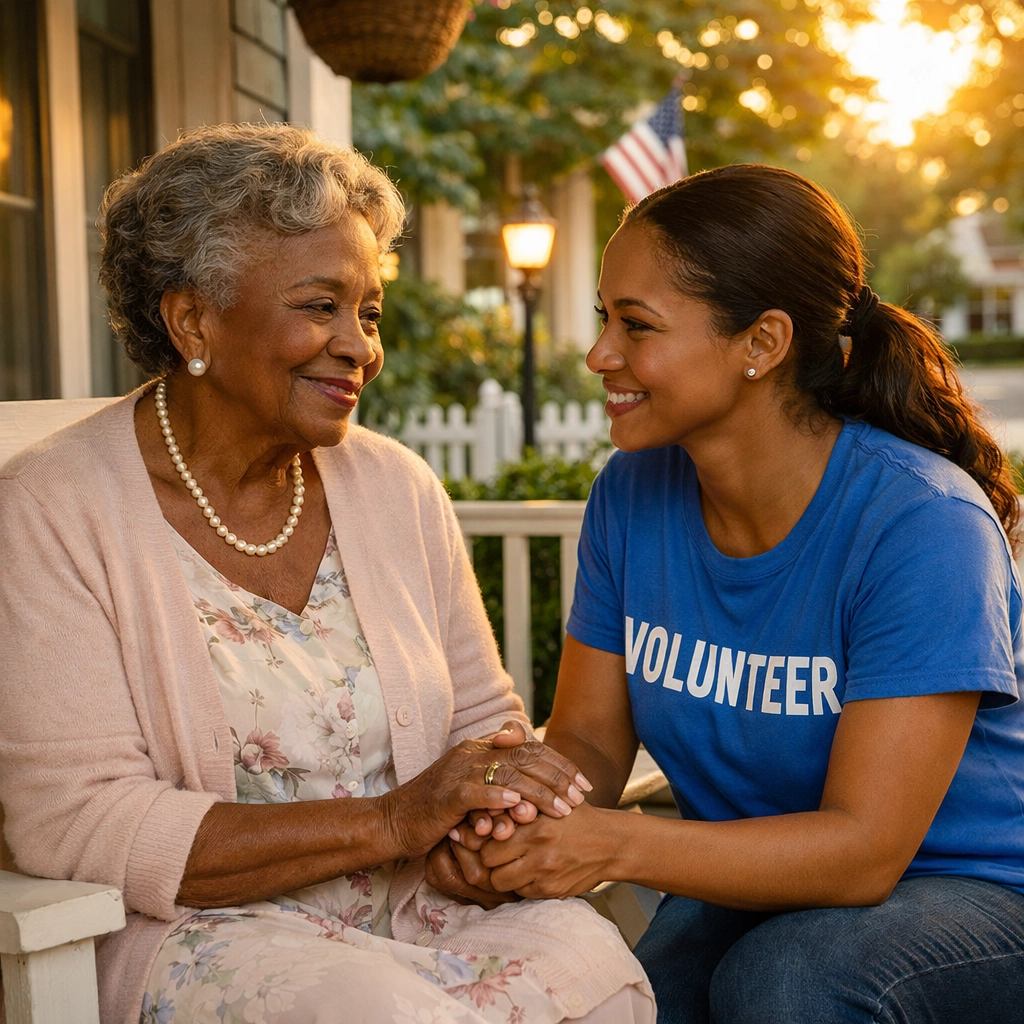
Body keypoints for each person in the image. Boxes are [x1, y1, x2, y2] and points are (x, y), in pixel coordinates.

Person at [0, 123, 654, 1024]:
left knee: (593, 965)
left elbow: (479, 723)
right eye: (319, 306)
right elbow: (75, 819)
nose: (360, 348)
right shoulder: (50, 508)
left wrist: (485, 819)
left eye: (369, 312)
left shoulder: (392, 484)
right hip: (199, 928)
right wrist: (391, 822)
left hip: (419, 904)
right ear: (193, 319)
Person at [437, 164, 1024, 1024]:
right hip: (752, 878)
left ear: (762, 343)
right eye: (606, 318)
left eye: (637, 325)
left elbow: (864, 852)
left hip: (974, 891)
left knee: (787, 983)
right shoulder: (632, 495)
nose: (600, 355)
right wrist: (516, 821)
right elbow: (592, 746)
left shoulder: (919, 523)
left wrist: (614, 843)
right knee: (604, 997)